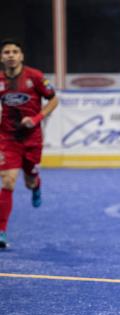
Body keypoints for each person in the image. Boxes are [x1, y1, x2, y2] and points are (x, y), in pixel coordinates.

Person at [0, 39, 58, 249]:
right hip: (7, 139)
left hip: (32, 139)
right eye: (6, 52)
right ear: (2, 57)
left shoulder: (35, 77)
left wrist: (35, 119)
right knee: (8, 181)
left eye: (15, 51)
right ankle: (1, 231)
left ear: (21, 56)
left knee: (29, 181)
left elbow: (53, 100)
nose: (11, 55)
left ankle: (36, 186)